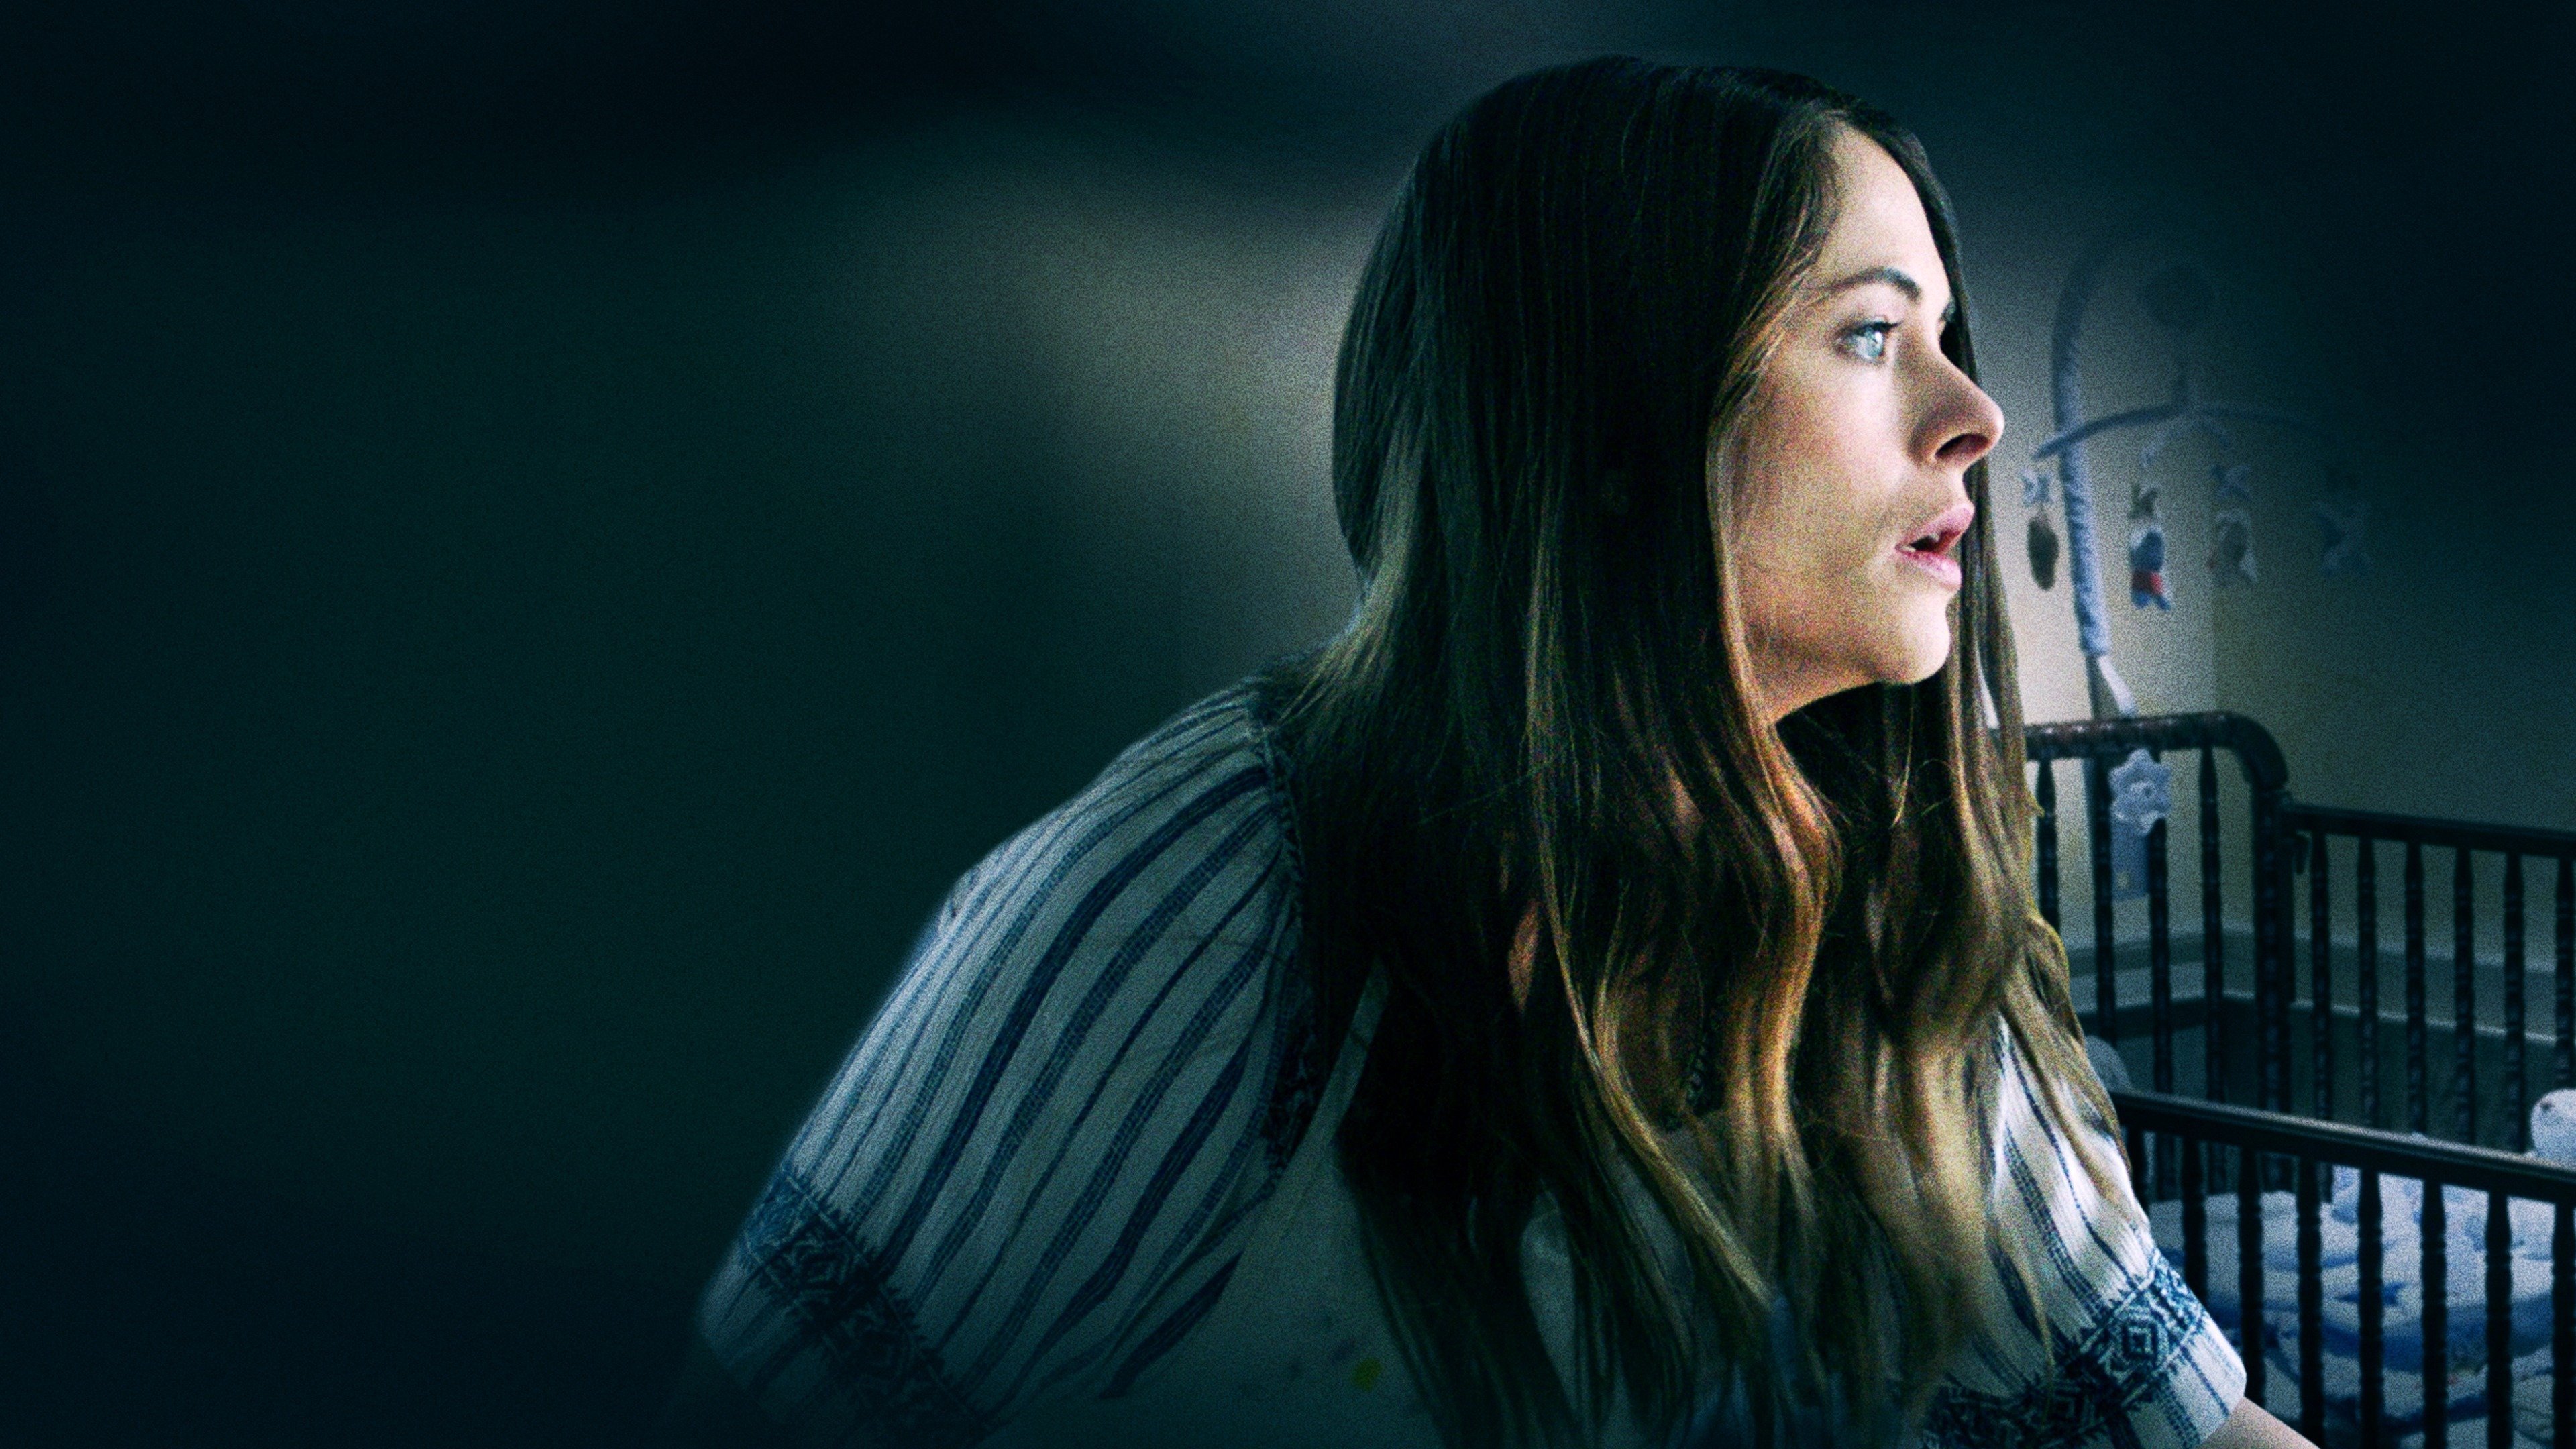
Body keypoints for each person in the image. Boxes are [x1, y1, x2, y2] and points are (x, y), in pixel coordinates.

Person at [659, 58, 2312, 1448]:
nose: (1976, 416)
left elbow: (2176, 1430)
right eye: (1872, 336)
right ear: (1614, 412)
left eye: (1951, 334)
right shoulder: (1217, 894)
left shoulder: (1882, 921)